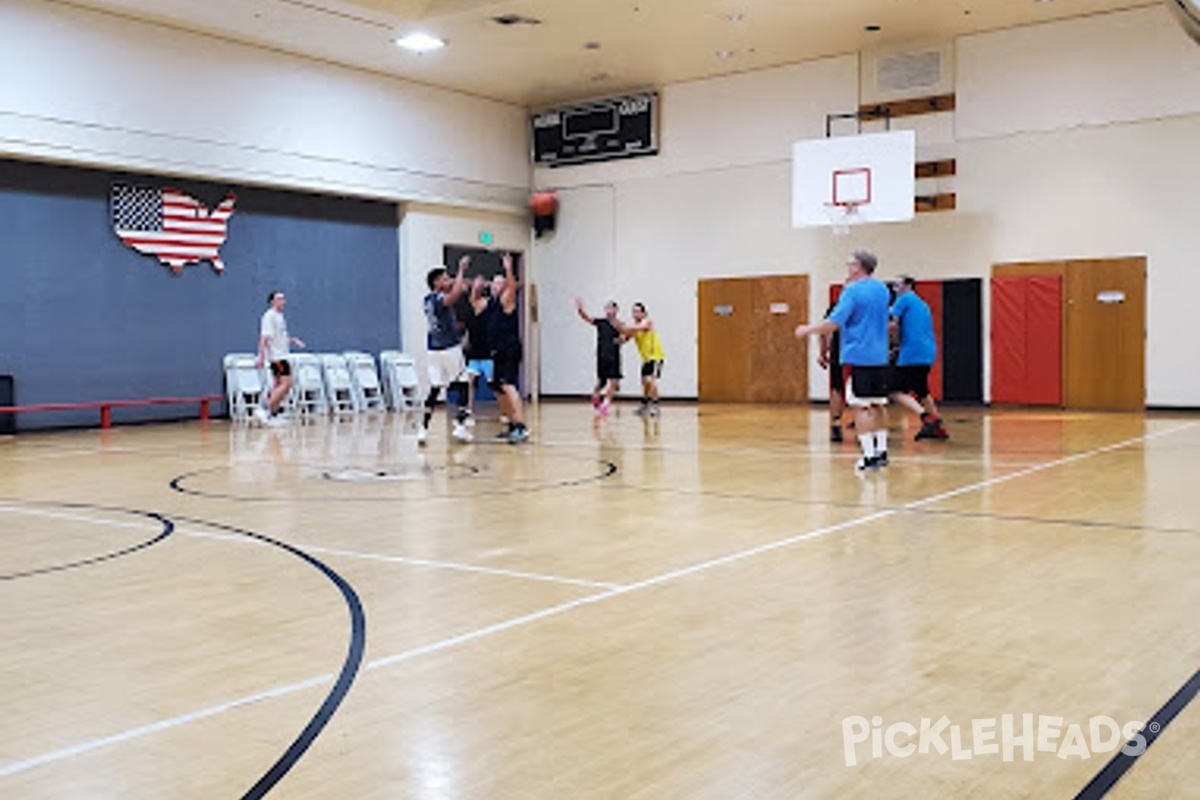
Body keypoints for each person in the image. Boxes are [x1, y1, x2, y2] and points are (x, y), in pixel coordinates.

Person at [794, 250, 892, 471]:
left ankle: (869, 456)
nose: (847, 267)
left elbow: (833, 323)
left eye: (850, 264)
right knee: (878, 404)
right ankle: (882, 451)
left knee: (859, 406)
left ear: (859, 267)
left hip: (860, 355)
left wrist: (806, 330)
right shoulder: (882, 289)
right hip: (880, 355)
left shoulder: (851, 291)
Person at [420, 256, 473, 445]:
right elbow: (455, 293)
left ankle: (423, 428)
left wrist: (460, 281)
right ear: (436, 283)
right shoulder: (440, 298)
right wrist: (461, 270)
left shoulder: (427, 300)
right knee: (463, 382)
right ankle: (459, 425)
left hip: (433, 349)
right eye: (445, 278)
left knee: (435, 388)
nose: (448, 280)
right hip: (449, 347)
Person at [890, 275, 949, 440]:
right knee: (922, 390)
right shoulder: (922, 303)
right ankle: (937, 427)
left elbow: (893, 325)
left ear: (908, 286)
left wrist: (892, 344)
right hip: (927, 352)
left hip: (911, 352)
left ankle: (926, 417)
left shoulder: (903, 300)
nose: (895, 289)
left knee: (894, 391)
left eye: (898, 285)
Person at [488, 253, 530, 443]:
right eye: (494, 283)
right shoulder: (493, 304)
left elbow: (512, 286)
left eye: (499, 283)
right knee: (498, 388)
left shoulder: (507, 300)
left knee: (508, 384)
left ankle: (521, 427)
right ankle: (511, 424)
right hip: (497, 350)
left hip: (509, 349)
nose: (495, 285)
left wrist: (508, 269)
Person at [254, 290, 305, 425]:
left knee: (277, 385)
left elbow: (279, 337)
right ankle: (264, 409)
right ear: (272, 301)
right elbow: (264, 338)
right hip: (277, 358)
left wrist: (292, 340)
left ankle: (273, 413)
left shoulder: (279, 317)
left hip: (281, 355)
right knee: (286, 384)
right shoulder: (269, 316)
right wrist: (261, 355)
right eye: (279, 299)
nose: (283, 301)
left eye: (283, 299)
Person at [575, 299, 623, 418]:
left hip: (614, 357)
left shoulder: (620, 324)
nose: (609, 310)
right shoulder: (601, 322)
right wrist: (580, 310)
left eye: (612, 308)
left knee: (614, 382)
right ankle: (596, 395)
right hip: (602, 356)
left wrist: (621, 339)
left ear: (616, 310)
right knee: (602, 382)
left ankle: (605, 405)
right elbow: (587, 318)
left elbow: (625, 335)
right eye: (607, 308)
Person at [624, 302, 665, 417]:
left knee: (650, 380)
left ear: (643, 313)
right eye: (633, 311)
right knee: (644, 383)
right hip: (646, 359)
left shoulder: (647, 322)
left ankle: (656, 406)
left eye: (637, 311)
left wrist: (624, 327)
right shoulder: (634, 327)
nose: (635, 313)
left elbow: (639, 328)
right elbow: (624, 338)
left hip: (656, 356)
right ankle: (645, 405)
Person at [818, 300, 847, 442]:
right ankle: (867, 425)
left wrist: (823, 352)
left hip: (840, 350)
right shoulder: (867, 304)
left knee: (837, 387)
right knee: (860, 390)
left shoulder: (837, 307)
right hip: (861, 352)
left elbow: (824, 331)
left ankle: (836, 424)